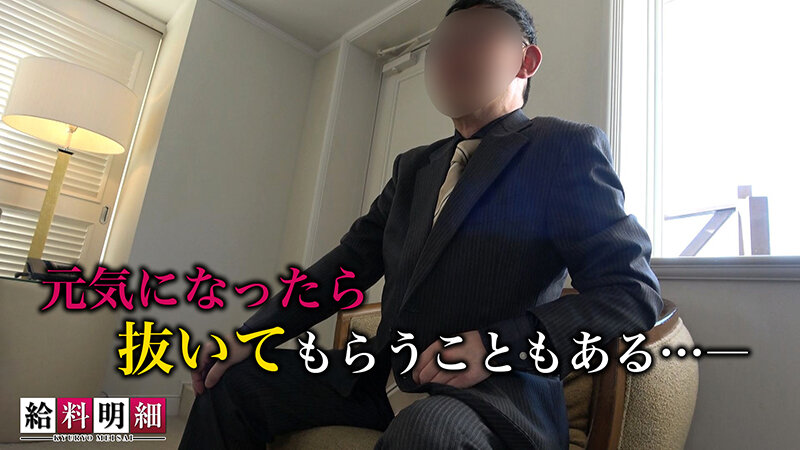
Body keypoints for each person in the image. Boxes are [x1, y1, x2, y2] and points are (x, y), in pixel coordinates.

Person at [179, 0, 663, 448]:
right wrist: (253, 334)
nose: (449, 55)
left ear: (526, 60)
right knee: (231, 380)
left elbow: (630, 292)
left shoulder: (563, 149)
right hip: (379, 375)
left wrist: (496, 346)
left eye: (473, 38)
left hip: (490, 393)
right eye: (440, 46)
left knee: (426, 434)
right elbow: (348, 264)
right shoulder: (414, 167)